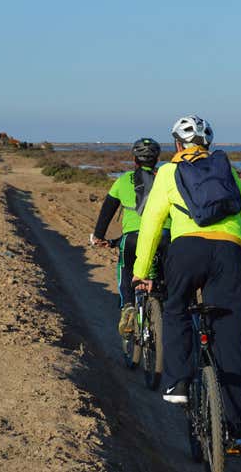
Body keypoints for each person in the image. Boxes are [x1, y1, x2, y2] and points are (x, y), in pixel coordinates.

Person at [132, 115, 241, 454]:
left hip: (187, 251)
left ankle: (178, 383)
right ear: (208, 145)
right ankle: (236, 432)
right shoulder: (226, 171)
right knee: (231, 339)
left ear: (176, 144)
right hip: (230, 252)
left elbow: (152, 224)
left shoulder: (169, 172)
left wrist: (141, 271)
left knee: (175, 306)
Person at [91, 137, 167, 336]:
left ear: (135, 159)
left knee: (125, 269)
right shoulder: (166, 179)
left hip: (133, 238)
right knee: (164, 275)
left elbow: (106, 212)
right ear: (157, 159)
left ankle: (128, 306)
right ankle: (164, 310)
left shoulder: (123, 180)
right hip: (164, 236)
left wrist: (99, 236)